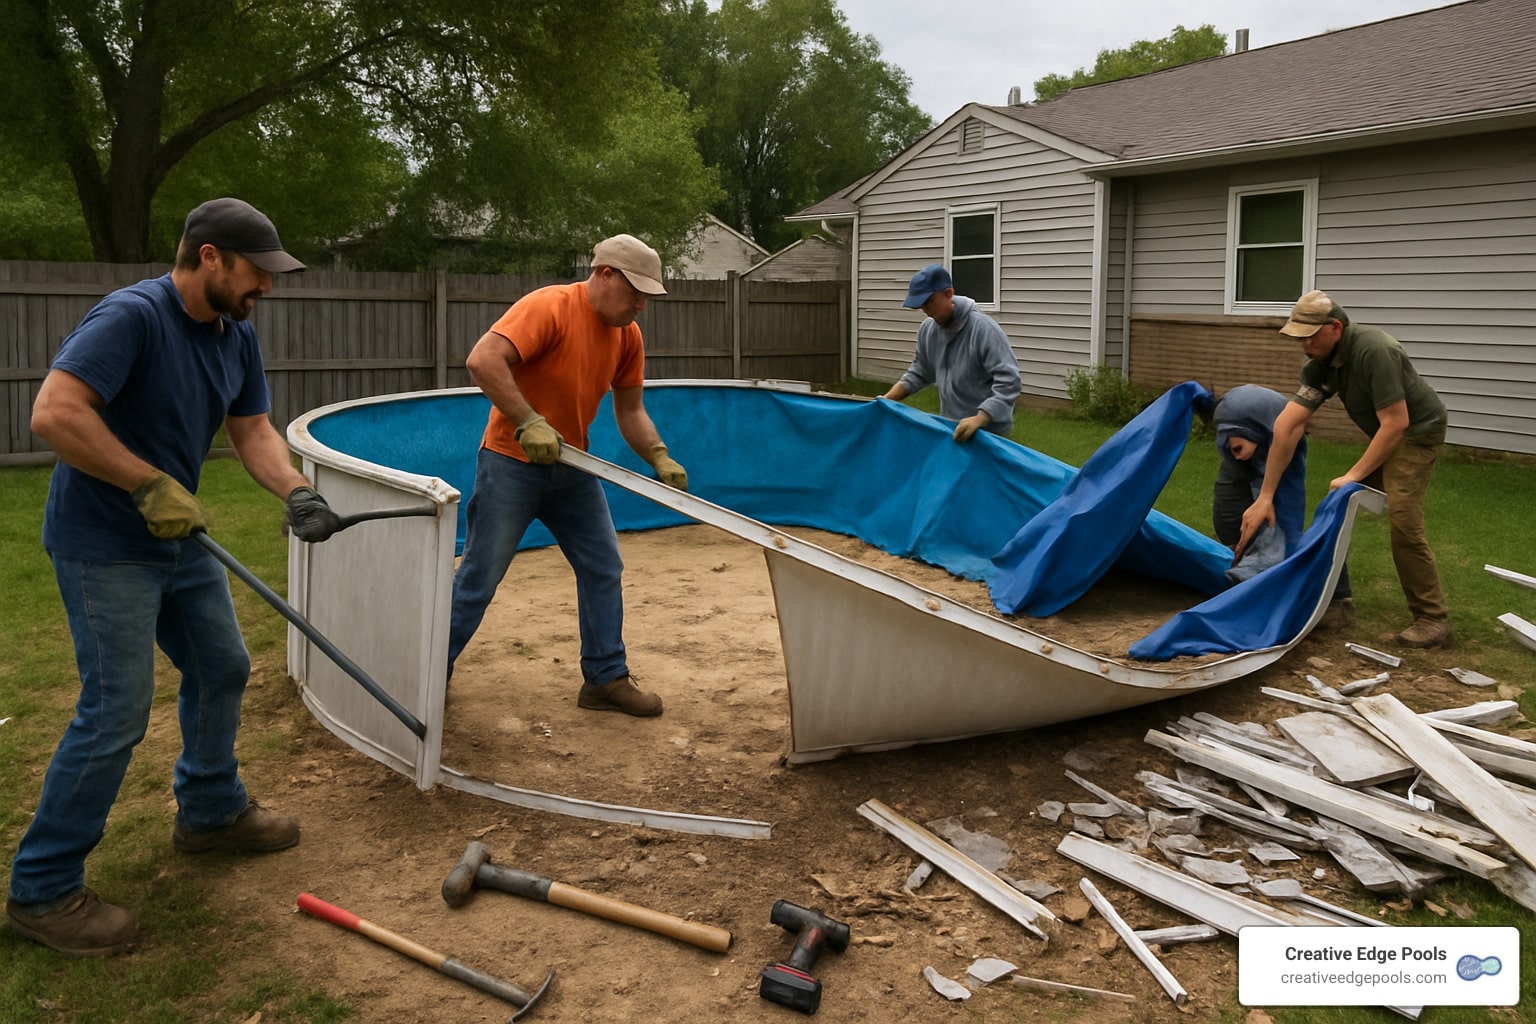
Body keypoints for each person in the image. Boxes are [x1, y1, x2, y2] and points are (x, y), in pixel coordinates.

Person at [9, 198, 343, 957]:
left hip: (178, 539)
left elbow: (252, 429)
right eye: (258, 271)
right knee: (115, 710)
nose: (267, 288)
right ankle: (42, 889)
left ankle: (210, 811)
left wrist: (296, 491)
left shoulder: (234, 333)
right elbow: (54, 414)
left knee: (222, 665)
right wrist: (146, 483)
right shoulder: (130, 318)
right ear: (210, 257)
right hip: (103, 543)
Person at [446, 234, 688, 717]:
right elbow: (482, 359)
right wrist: (527, 420)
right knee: (479, 577)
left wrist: (659, 455)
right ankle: (424, 672)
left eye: (646, 297)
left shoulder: (627, 336)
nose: (641, 305)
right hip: (510, 463)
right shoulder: (550, 307)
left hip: (572, 467)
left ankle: (605, 678)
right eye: (635, 293)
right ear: (604, 274)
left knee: (603, 566)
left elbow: (631, 410)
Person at [1239, 289, 1450, 648]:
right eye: (1299, 338)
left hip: (1417, 433)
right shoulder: (1319, 364)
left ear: (1335, 327)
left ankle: (1433, 620)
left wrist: (1353, 475)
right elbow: (1287, 425)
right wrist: (1266, 497)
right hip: (1389, 431)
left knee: (1403, 518)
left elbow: (1396, 423)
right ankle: (1337, 603)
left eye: (1310, 337)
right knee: (1336, 505)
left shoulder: (1375, 350)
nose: (1305, 345)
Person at [881, 263, 1021, 442]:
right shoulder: (928, 329)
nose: (926, 311)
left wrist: (980, 418)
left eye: (929, 302)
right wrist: (885, 399)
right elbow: (919, 371)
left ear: (948, 293)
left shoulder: (984, 329)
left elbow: (1009, 380)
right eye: (921, 305)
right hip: (952, 425)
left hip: (988, 431)